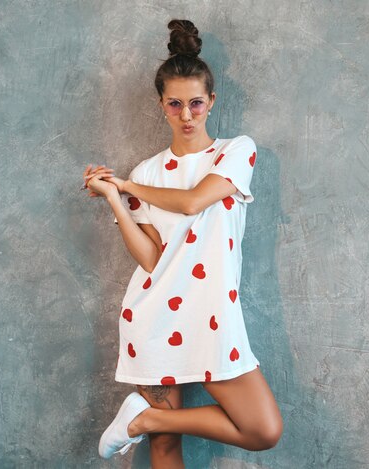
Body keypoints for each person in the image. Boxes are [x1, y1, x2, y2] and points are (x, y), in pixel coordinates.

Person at [82, 19, 283, 467]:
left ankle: (144, 420)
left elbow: (193, 202)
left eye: (195, 103)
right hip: (154, 315)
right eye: (175, 104)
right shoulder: (147, 171)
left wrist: (129, 188)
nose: (186, 115)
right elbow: (153, 258)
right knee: (166, 450)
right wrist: (116, 198)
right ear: (161, 106)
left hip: (214, 315)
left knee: (263, 428)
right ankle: (149, 424)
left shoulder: (235, 151)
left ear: (211, 101)